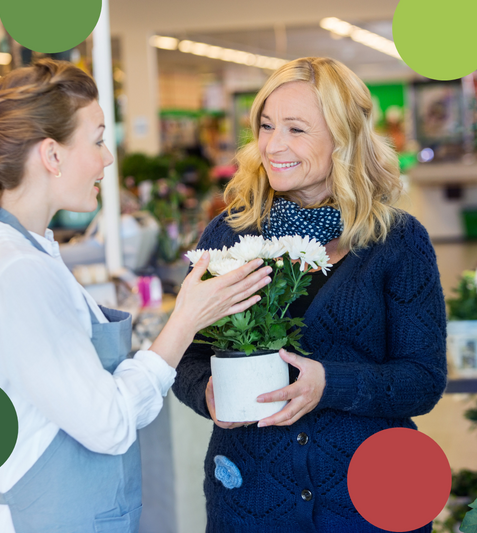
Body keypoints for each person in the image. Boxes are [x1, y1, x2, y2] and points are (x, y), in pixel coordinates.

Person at [0, 59, 273, 533]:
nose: (108, 157)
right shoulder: (16, 272)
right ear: (52, 156)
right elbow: (108, 422)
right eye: (97, 140)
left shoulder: (33, 255)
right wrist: (185, 321)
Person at [172, 57, 447, 533]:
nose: (273, 146)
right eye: (266, 126)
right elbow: (184, 353)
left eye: (296, 130)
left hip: (376, 499)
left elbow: (423, 380)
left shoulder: (397, 241)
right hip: (253, 502)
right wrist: (205, 390)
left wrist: (328, 385)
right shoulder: (229, 234)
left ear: (343, 139)